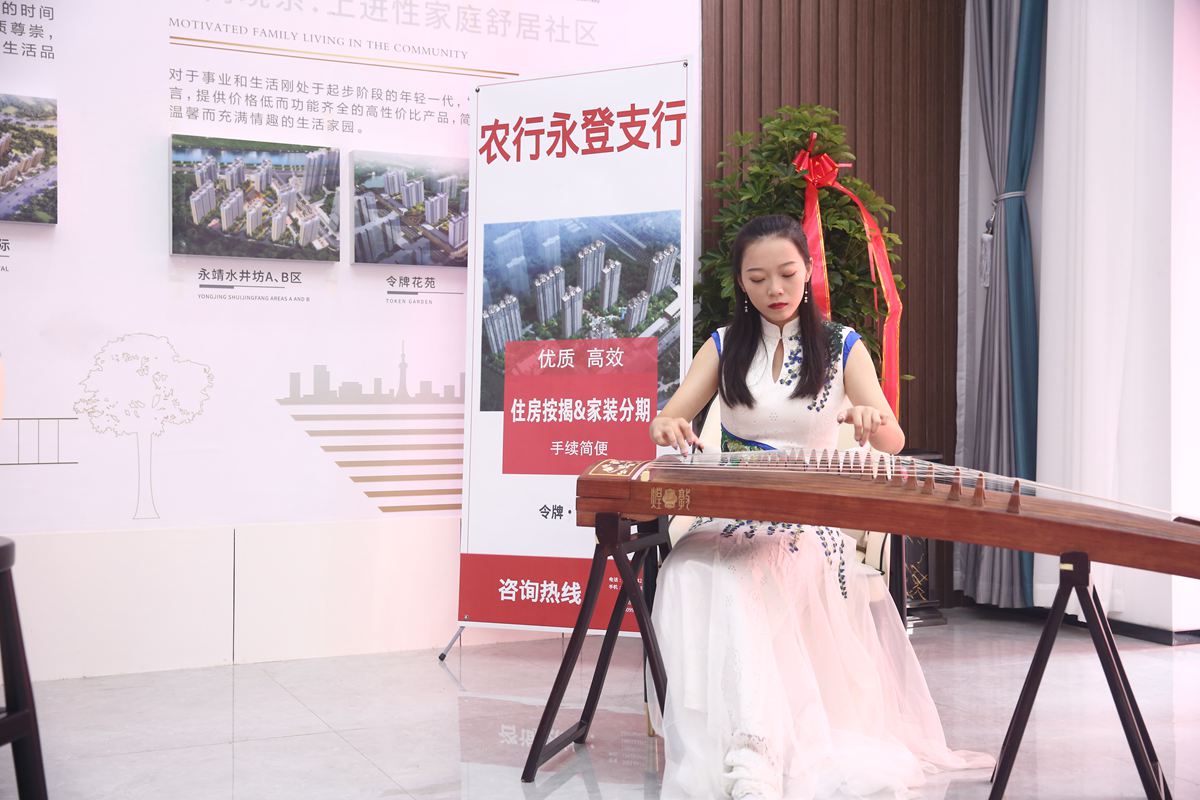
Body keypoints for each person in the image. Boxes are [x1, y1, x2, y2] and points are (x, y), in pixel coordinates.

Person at [647, 215, 993, 799]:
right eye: (757, 278)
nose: (774, 289)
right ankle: (738, 741)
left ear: (808, 270)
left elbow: (894, 440)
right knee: (685, 567)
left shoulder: (840, 345)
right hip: (729, 515)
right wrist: (668, 426)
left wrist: (870, 420)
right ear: (741, 282)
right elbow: (669, 417)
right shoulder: (723, 346)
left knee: (743, 575)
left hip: (807, 523)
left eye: (786, 273)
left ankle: (754, 755)